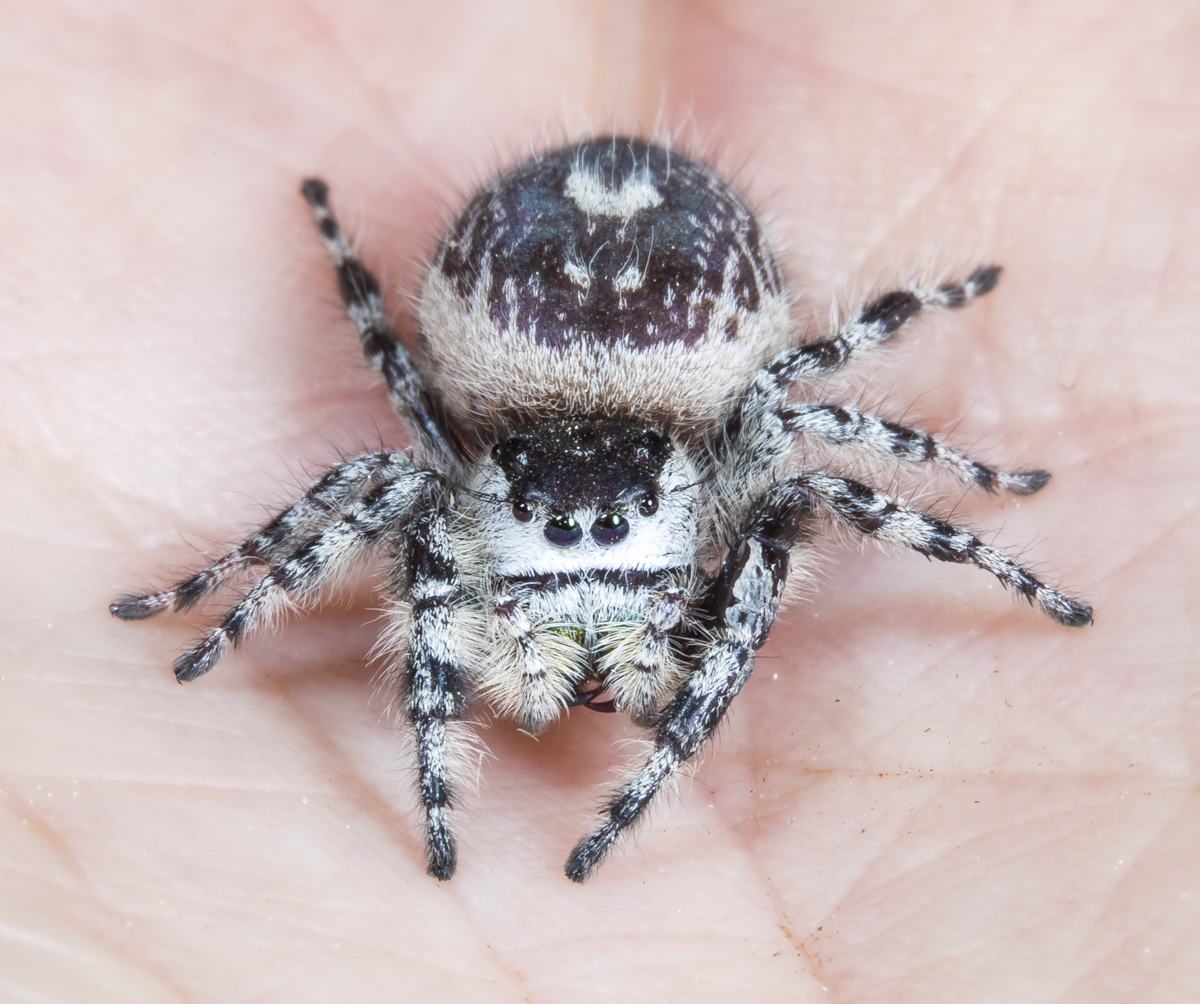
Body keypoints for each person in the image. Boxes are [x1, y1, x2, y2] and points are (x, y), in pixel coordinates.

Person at [3, 2, 1193, 999]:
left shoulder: (725, 487)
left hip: (614, 339)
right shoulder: (444, 502)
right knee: (400, 487)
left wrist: (979, 501)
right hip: (638, 326)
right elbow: (370, 466)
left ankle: (665, 747)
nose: (582, 649)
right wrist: (227, 597)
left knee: (798, 440)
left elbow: (813, 423)